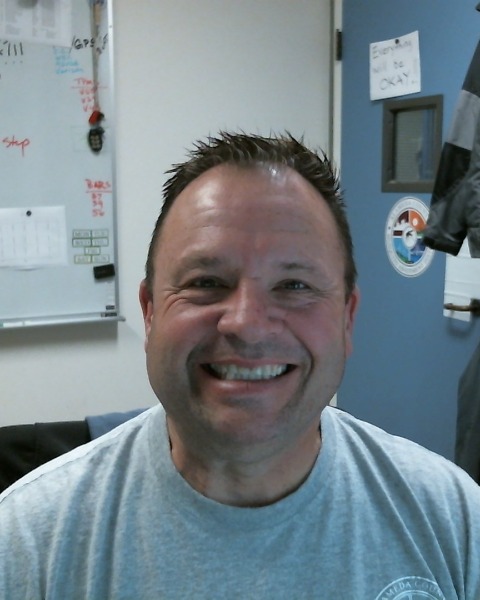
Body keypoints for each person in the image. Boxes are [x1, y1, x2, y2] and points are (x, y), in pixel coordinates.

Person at [0, 132, 479, 599]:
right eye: (206, 282)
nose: (248, 325)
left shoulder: (453, 521)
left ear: (347, 318)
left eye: (294, 286)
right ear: (150, 312)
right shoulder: (29, 540)